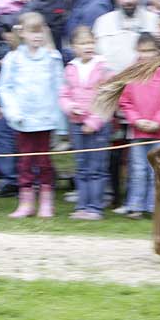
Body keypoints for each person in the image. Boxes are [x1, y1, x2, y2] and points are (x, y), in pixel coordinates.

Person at [0, 12, 65, 219]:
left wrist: (60, 122)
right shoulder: (14, 59)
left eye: (40, 31)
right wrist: (13, 112)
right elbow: (4, 88)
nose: (37, 36)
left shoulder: (52, 58)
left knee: (44, 161)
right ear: (22, 34)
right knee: (24, 161)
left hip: (45, 119)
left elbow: (59, 87)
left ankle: (46, 201)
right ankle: (26, 202)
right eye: (32, 32)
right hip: (23, 120)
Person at [59, 26, 112, 220]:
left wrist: (94, 121)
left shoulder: (104, 68)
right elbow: (64, 94)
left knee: (96, 168)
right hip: (76, 125)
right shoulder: (71, 68)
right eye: (82, 43)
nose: (87, 46)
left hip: (98, 127)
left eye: (90, 42)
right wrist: (70, 107)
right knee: (81, 167)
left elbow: (108, 98)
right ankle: (82, 206)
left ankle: (95, 207)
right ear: (74, 47)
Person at [117, 33, 160, 219]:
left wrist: (158, 121)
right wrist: (136, 120)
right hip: (138, 132)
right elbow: (125, 102)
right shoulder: (132, 72)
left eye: (149, 51)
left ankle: (156, 207)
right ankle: (136, 206)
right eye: (142, 51)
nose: (146, 55)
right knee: (137, 170)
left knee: (158, 170)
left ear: (156, 50)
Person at [92, 0, 158, 73]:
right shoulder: (102, 22)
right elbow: (95, 56)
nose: (129, 1)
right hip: (112, 81)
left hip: (145, 79)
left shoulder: (154, 20)